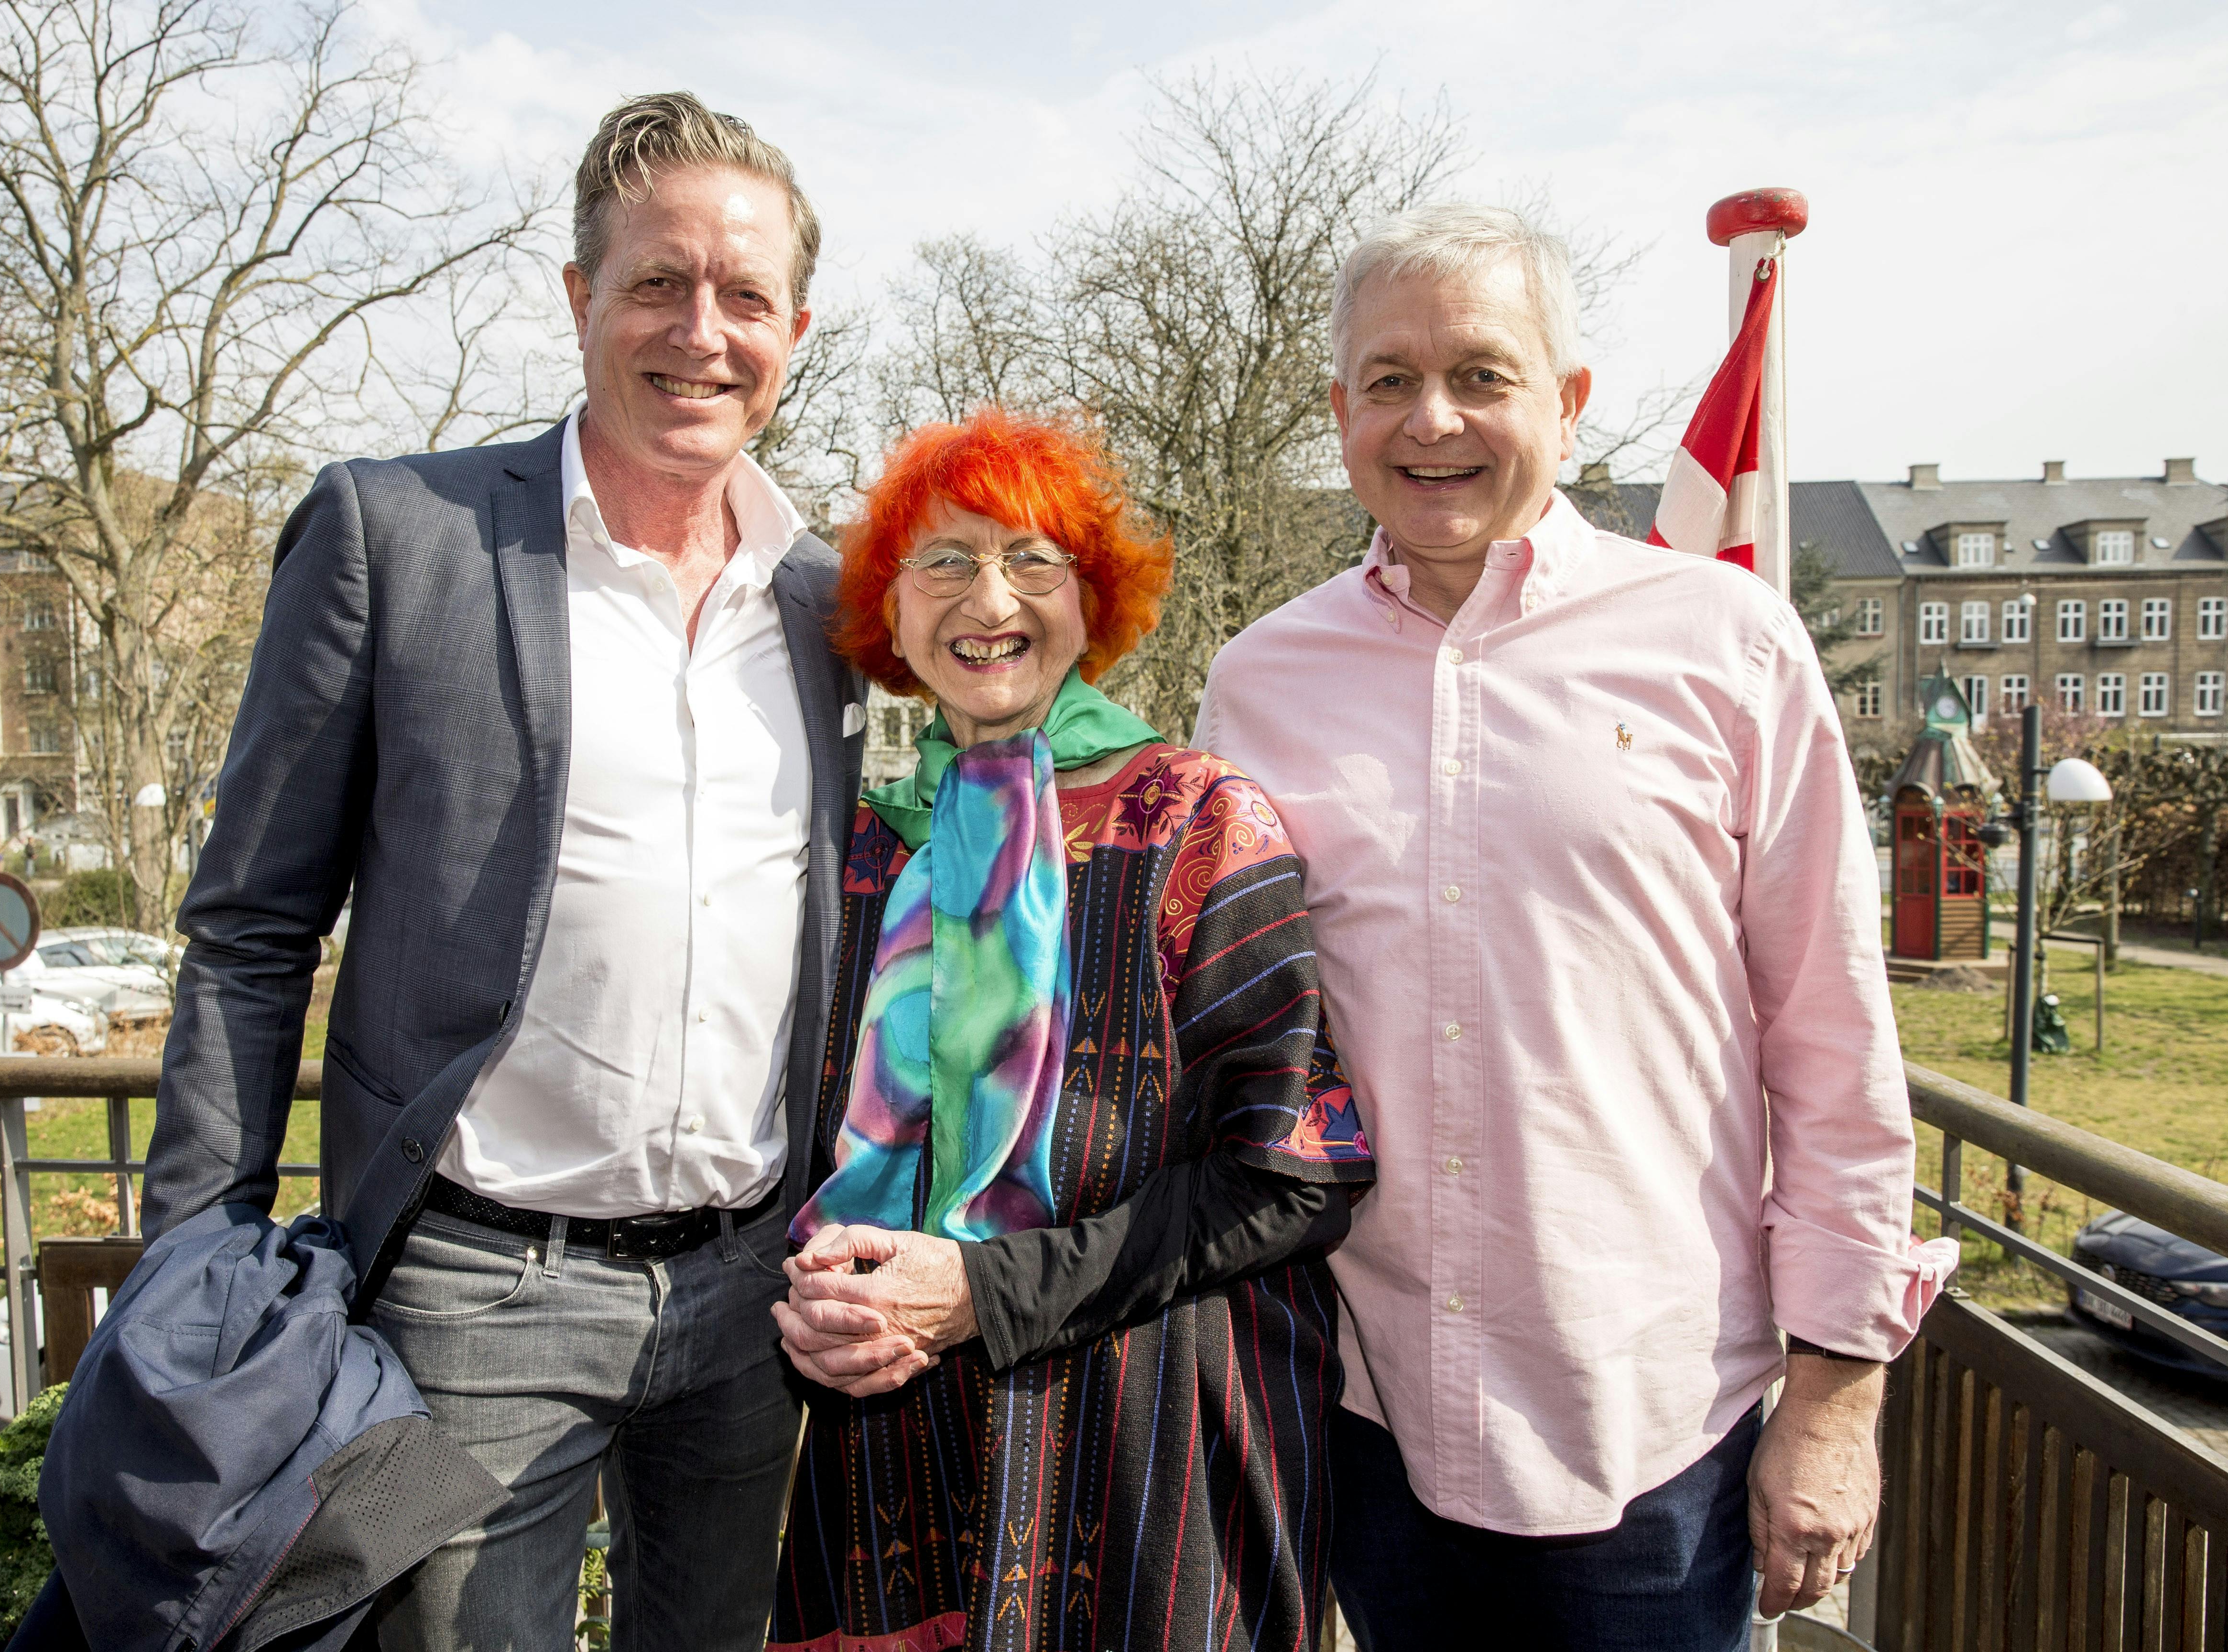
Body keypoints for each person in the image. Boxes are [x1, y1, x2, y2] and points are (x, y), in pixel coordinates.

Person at [141, 91, 865, 1651]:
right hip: (477, 1289)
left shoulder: (833, 603)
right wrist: (198, 1252)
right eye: (657, 283)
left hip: (753, 1297)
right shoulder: (397, 535)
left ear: (796, 328)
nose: (702, 332)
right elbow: (253, 927)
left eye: (746, 298)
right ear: (578, 298)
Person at [1195, 203, 1957, 1651]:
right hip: (1372, 1413)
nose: (1435, 420)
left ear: (1570, 401)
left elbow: (1833, 1040)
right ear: (1337, 409)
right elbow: (1241, 1035)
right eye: (1389, 379)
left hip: (1656, 1429)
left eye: (1483, 374)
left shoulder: (1724, 644)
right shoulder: (1260, 680)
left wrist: (1839, 1396)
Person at [763, 408, 1372, 1652]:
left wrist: (986, 1292)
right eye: (944, 561)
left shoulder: (1202, 824)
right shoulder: (864, 843)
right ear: (892, 608)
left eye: (1034, 559)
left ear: (1094, 602)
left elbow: (1296, 1178)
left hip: (1153, 1448)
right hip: (896, 1453)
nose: (990, 595)